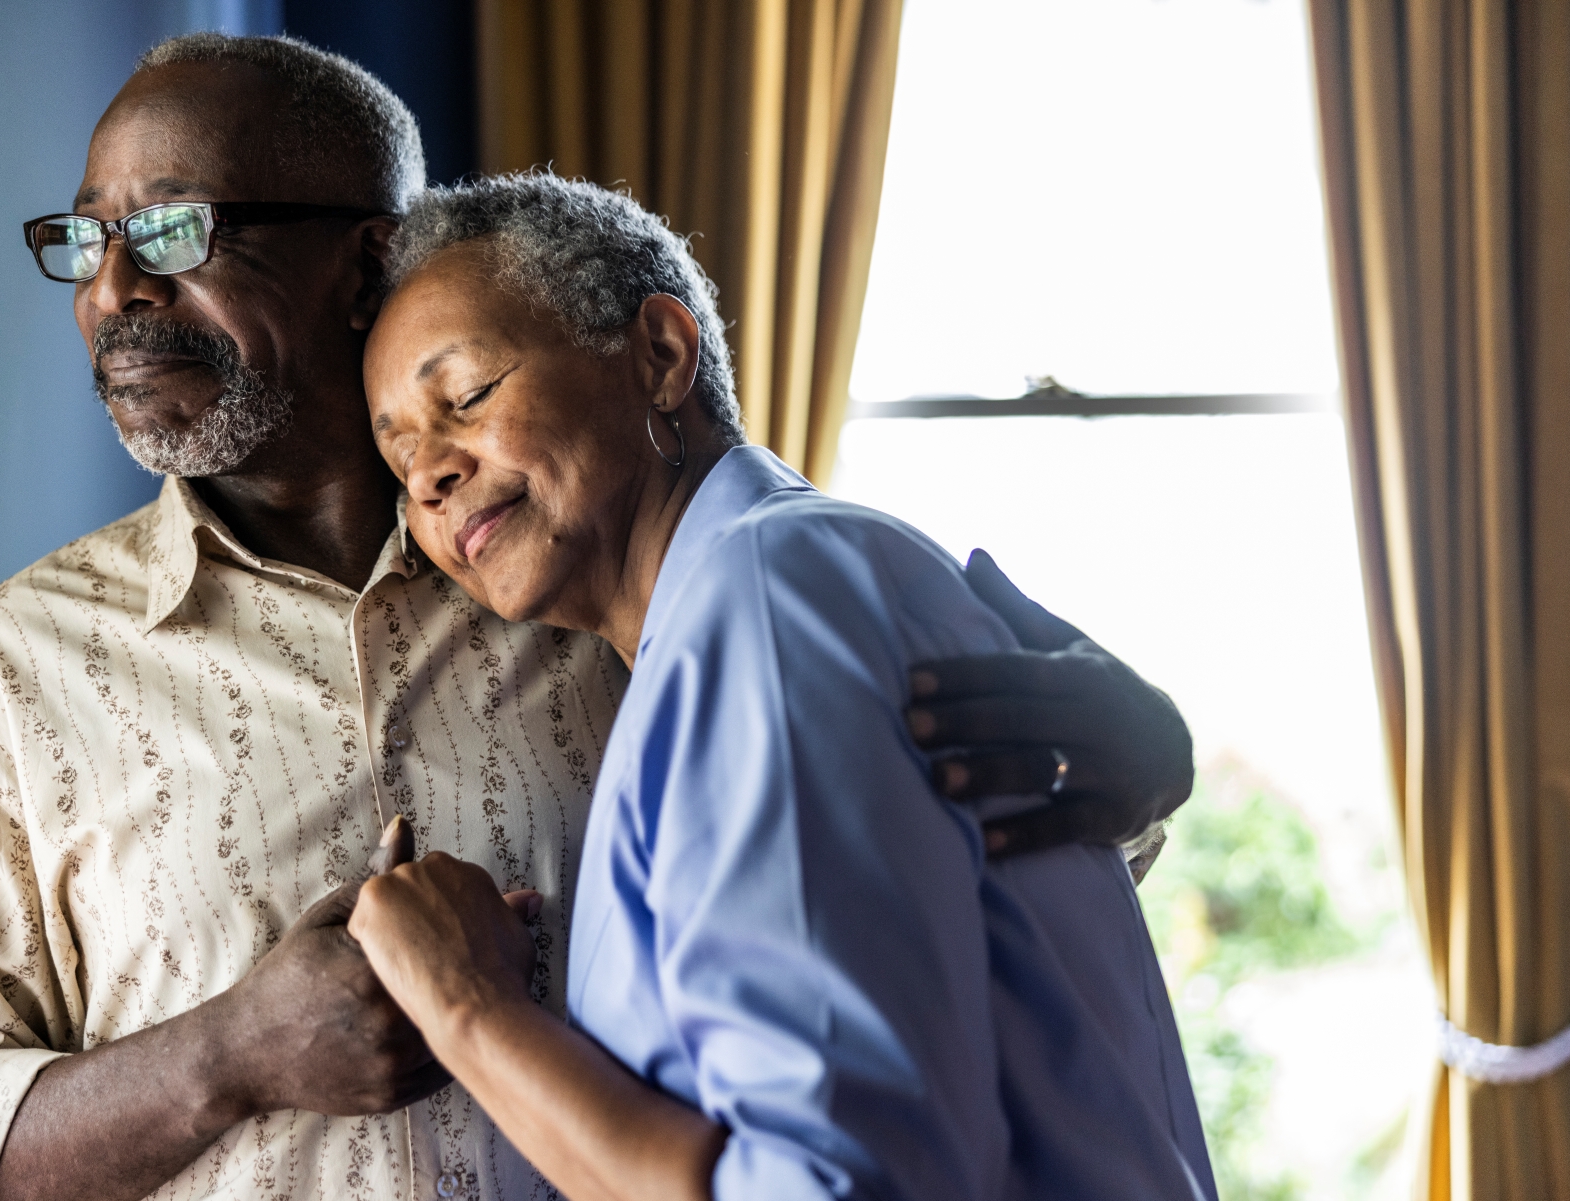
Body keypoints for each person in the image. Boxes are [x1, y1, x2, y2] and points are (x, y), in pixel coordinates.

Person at [0, 33, 1194, 1201]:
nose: (114, 292)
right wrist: (222, 1055)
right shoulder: (10, 680)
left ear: (367, 262)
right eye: (87, 245)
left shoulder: (632, 583)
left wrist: (1132, 765)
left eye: (171, 229)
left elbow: (923, 937)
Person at [349, 173, 1216, 1200]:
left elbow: (827, 1184)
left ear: (661, 355)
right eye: (400, 454)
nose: (431, 476)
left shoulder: (764, 597)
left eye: (470, 398)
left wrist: (469, 1010)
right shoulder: (738, 613)